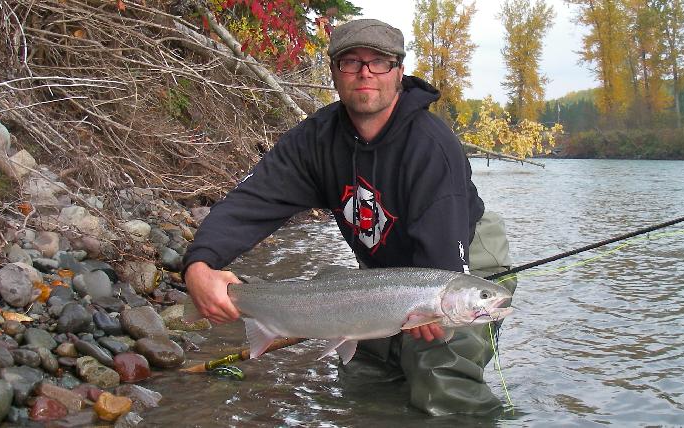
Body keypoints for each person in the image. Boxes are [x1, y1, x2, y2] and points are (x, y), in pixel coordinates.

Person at [182, 18, 516, 416]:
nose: (364, 73)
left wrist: (433, 311)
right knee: (365, 381)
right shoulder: (315, 141)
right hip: (383, 274)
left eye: (379, 61)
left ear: (399, 71)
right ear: (334, 71)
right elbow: (251, 201)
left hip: (459, 259)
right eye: (350, 62)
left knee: (441, 377)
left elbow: (444, 252)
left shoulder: (431, 145)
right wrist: (200, 263)